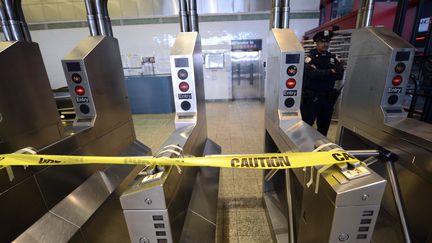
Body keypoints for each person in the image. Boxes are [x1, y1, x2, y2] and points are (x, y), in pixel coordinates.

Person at [301, 30, 344, 136]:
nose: (325, 44)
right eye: (322, 42)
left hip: (327, 99)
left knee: (324, 127)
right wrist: (330, 72)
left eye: (327, 41)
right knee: (306, 125)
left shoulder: (333, 59)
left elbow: (339, 74)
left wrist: (320, 72)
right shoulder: (310, 58)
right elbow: (311, 73)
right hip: (312, 99)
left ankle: (320, 150)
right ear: (316, 43)